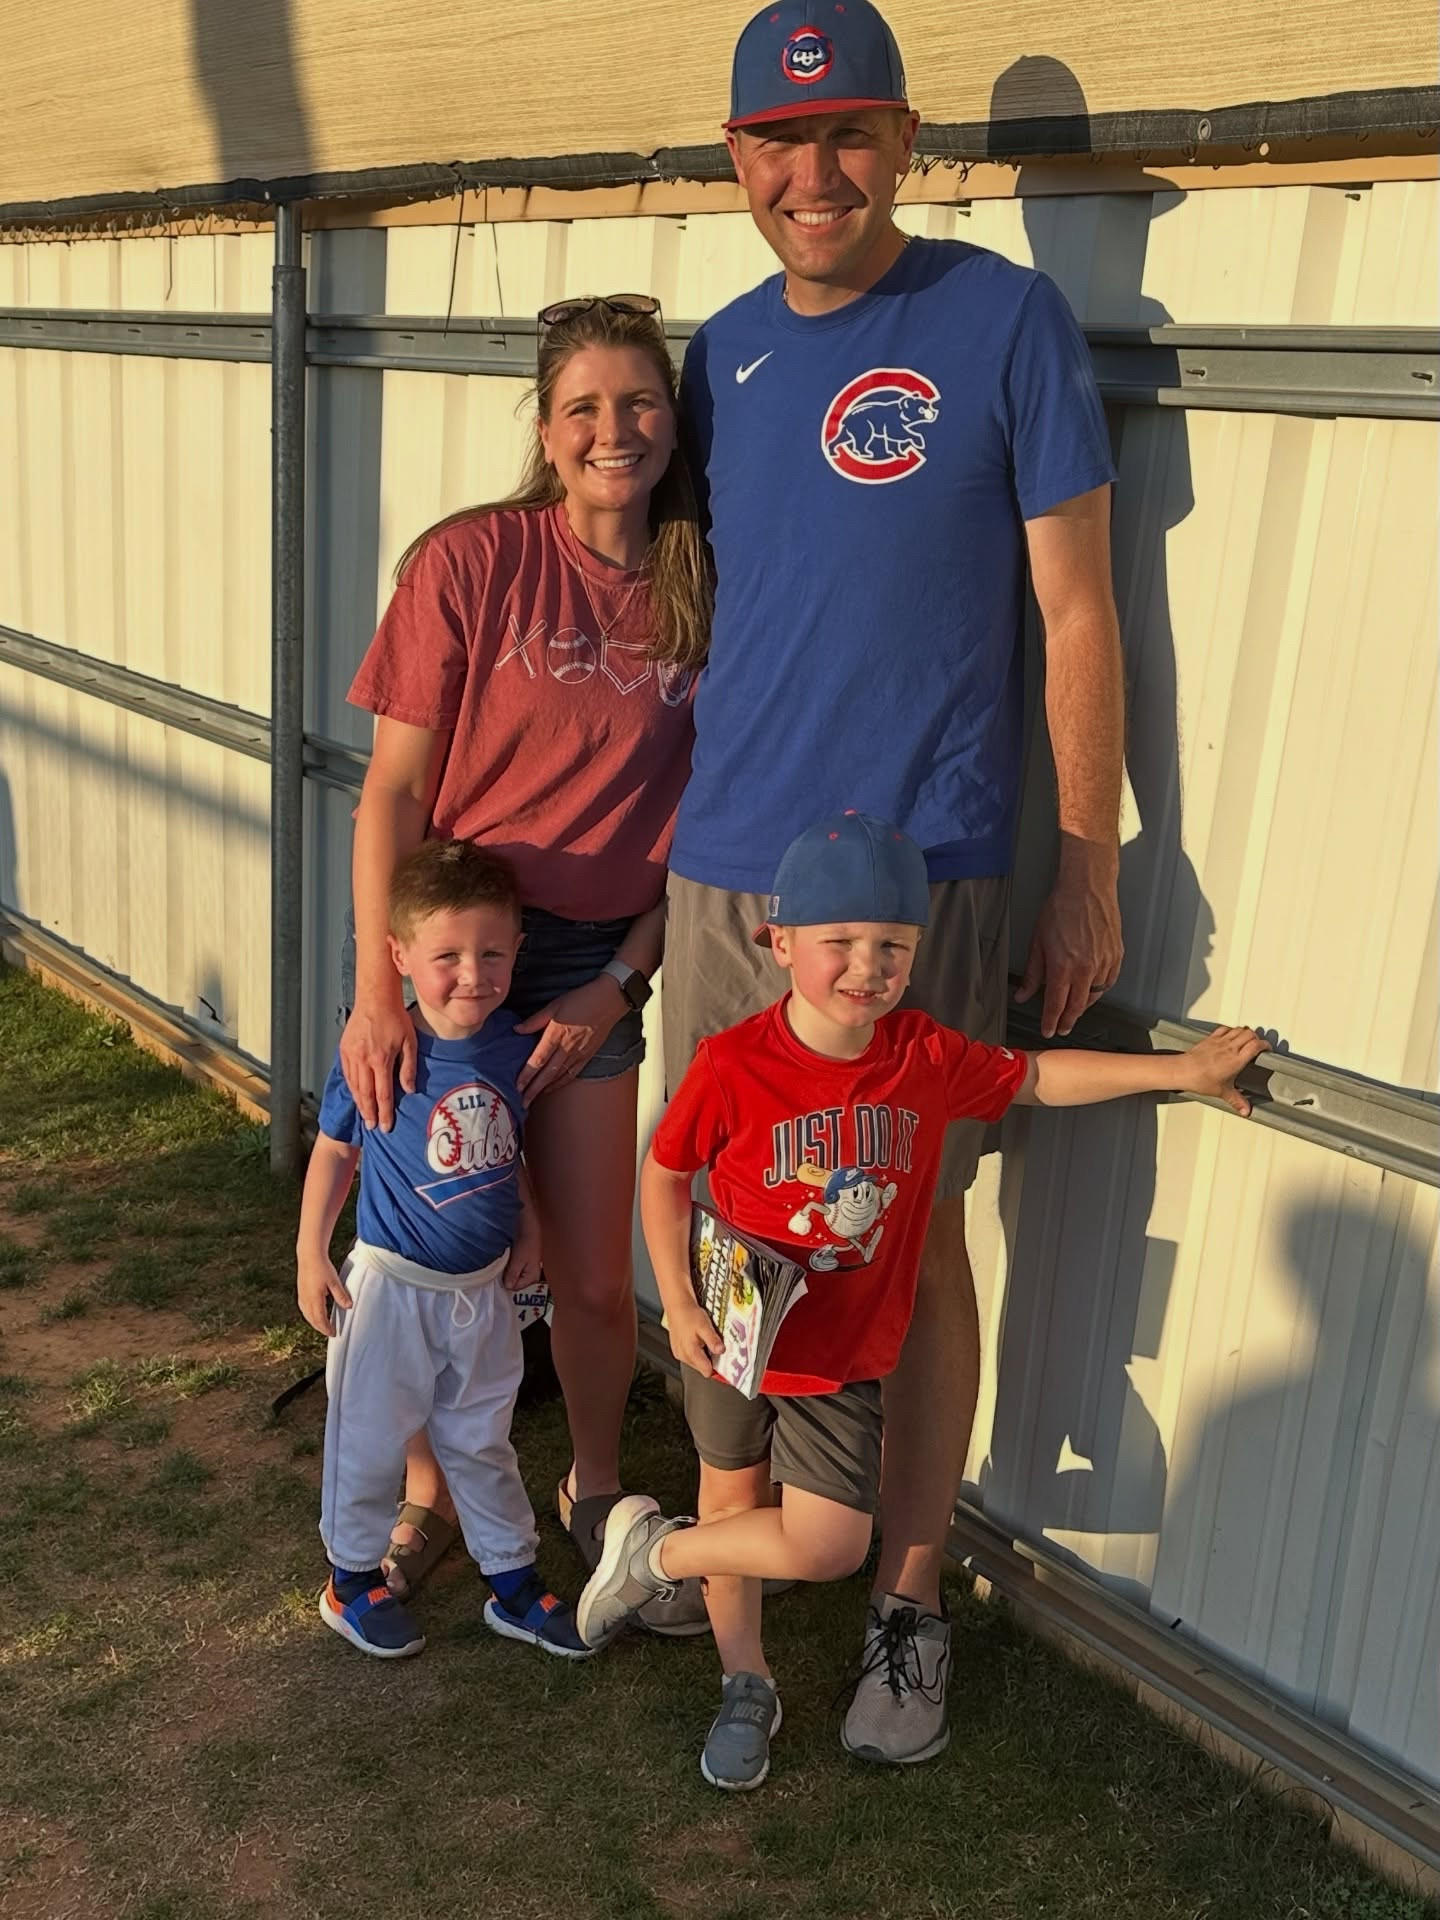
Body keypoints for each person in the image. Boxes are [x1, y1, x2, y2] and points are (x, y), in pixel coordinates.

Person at [663, 0, 1128, 1751]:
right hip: (730, 875)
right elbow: (702, 608)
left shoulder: (1004, 323)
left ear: (906, 145)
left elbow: (1078, 612)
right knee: (726, 1238)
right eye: (780, 144)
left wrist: (1083, 860)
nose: (815, 172)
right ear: (739, 162)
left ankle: (907, 1616)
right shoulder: (718, 359)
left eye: (849, 134)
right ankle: (732, 1614)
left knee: (911, 1249)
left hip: (927, 880)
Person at [576, 813, 1265, 1788]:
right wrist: (682, 1301)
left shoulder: (924, 1057)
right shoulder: (735, 1063)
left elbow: (1037, 1079)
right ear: (781, 943)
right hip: (732, 1328)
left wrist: (1181, 1073)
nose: (866, 967)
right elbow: (664, 1174)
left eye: (891, 946)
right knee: (732, 1492)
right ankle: (744, 1681)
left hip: (842, 1355)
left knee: (825, 1545)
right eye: (840, 943)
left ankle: (653, 1556)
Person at [338, 295, 711, 1629]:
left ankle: (594, 1492)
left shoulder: (707, 586)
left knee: (596, 1274)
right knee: (448, 1258)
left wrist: (619, 981)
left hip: (598, 961)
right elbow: (391, 794)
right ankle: (431, 1504)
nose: (614, 431)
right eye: (584, 409)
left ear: (673, 423)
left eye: (638, 404)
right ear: (546, 432)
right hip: (461, 951)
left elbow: (705, 840)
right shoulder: (473, 562)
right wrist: (386, 986)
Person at [298, 839, 592, 1659]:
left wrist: (529, 1224)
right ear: (397, 955)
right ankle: (351, 1580)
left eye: (493, 952)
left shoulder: (511, 1046)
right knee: (367, 1437)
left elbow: (508, 1149)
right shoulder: (381, 1047)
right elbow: (335, 1149)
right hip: (389, 1290)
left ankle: (512, 1581)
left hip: (482, 1293)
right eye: (448, 956)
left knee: (481, 1437)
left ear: (518, 949)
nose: (473, 974)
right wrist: (310, 1251)